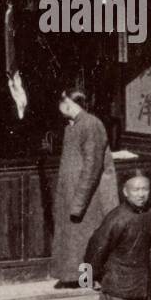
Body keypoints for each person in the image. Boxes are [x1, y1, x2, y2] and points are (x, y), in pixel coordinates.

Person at [50, 89, 117, 289]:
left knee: (87, 241)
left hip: (89, 198)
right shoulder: (76, 125)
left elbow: (92, 166)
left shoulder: (90, 124)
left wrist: (79, 202)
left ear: (68, 103)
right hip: (75, 194)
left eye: (61, 104)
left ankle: (87, 280)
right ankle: (78, 279)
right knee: (76, 242)